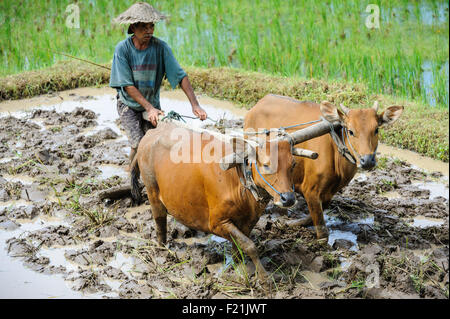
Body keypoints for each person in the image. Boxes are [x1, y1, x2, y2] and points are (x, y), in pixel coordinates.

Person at [110, 2, 207, 168]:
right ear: (133, 27)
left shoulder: (161, 48)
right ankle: (132, 176)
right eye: (144, 27)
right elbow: (127, 86)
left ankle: (155, 175)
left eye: (151, 26)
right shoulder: (123, 50)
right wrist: (149, 109)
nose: (149, 31)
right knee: (138, 143)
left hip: (152, 104)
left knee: (156, 142)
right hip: (129, 104)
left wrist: (195, 105)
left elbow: (180, 75)